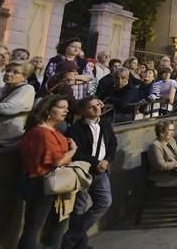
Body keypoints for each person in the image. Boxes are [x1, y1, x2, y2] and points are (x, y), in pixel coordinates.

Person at [18, 95, 77, 249]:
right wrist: (73, 151)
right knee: (35, 227)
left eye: (67, 107)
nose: (66, 110)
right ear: (48, 110)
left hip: (51, 183)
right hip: (41, 183)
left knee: (56, 225)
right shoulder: (41, 132)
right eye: (61, 107)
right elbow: (56, 160)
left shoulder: (50, 130)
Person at [62, 97, 117, 249]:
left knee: (104, 202)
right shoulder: (75, 129)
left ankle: (71, 237)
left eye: (97, 106)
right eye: (91, 107)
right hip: (84, 171)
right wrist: (96, 163)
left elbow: (112, 143)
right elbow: (77, 152)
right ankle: (81, 245)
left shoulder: (105, 124)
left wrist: (106, 160)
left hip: (102, 170)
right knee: (79, 208)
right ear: (83, 111)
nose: (97, 109)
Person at [0, 61, 35, 147]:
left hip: (11, 138)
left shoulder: (27, 89)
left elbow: (10, 107)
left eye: (15, 72)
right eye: (7, 70)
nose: (8, 74)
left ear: (24, 76)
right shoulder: (0, 89)